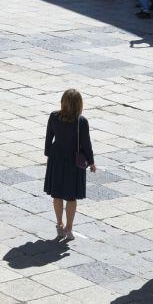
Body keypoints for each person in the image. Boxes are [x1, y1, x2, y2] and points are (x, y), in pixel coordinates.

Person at [44, 89, 96, 243]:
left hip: (57, 158)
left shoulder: (54, 116)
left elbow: (49, 137)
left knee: (57, 194)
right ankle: (69, 227)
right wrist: (91, 162)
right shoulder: (81, 121)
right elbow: (86, 144)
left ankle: (59, 223)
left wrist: (49, 153)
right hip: (73, 161)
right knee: (71, 197)